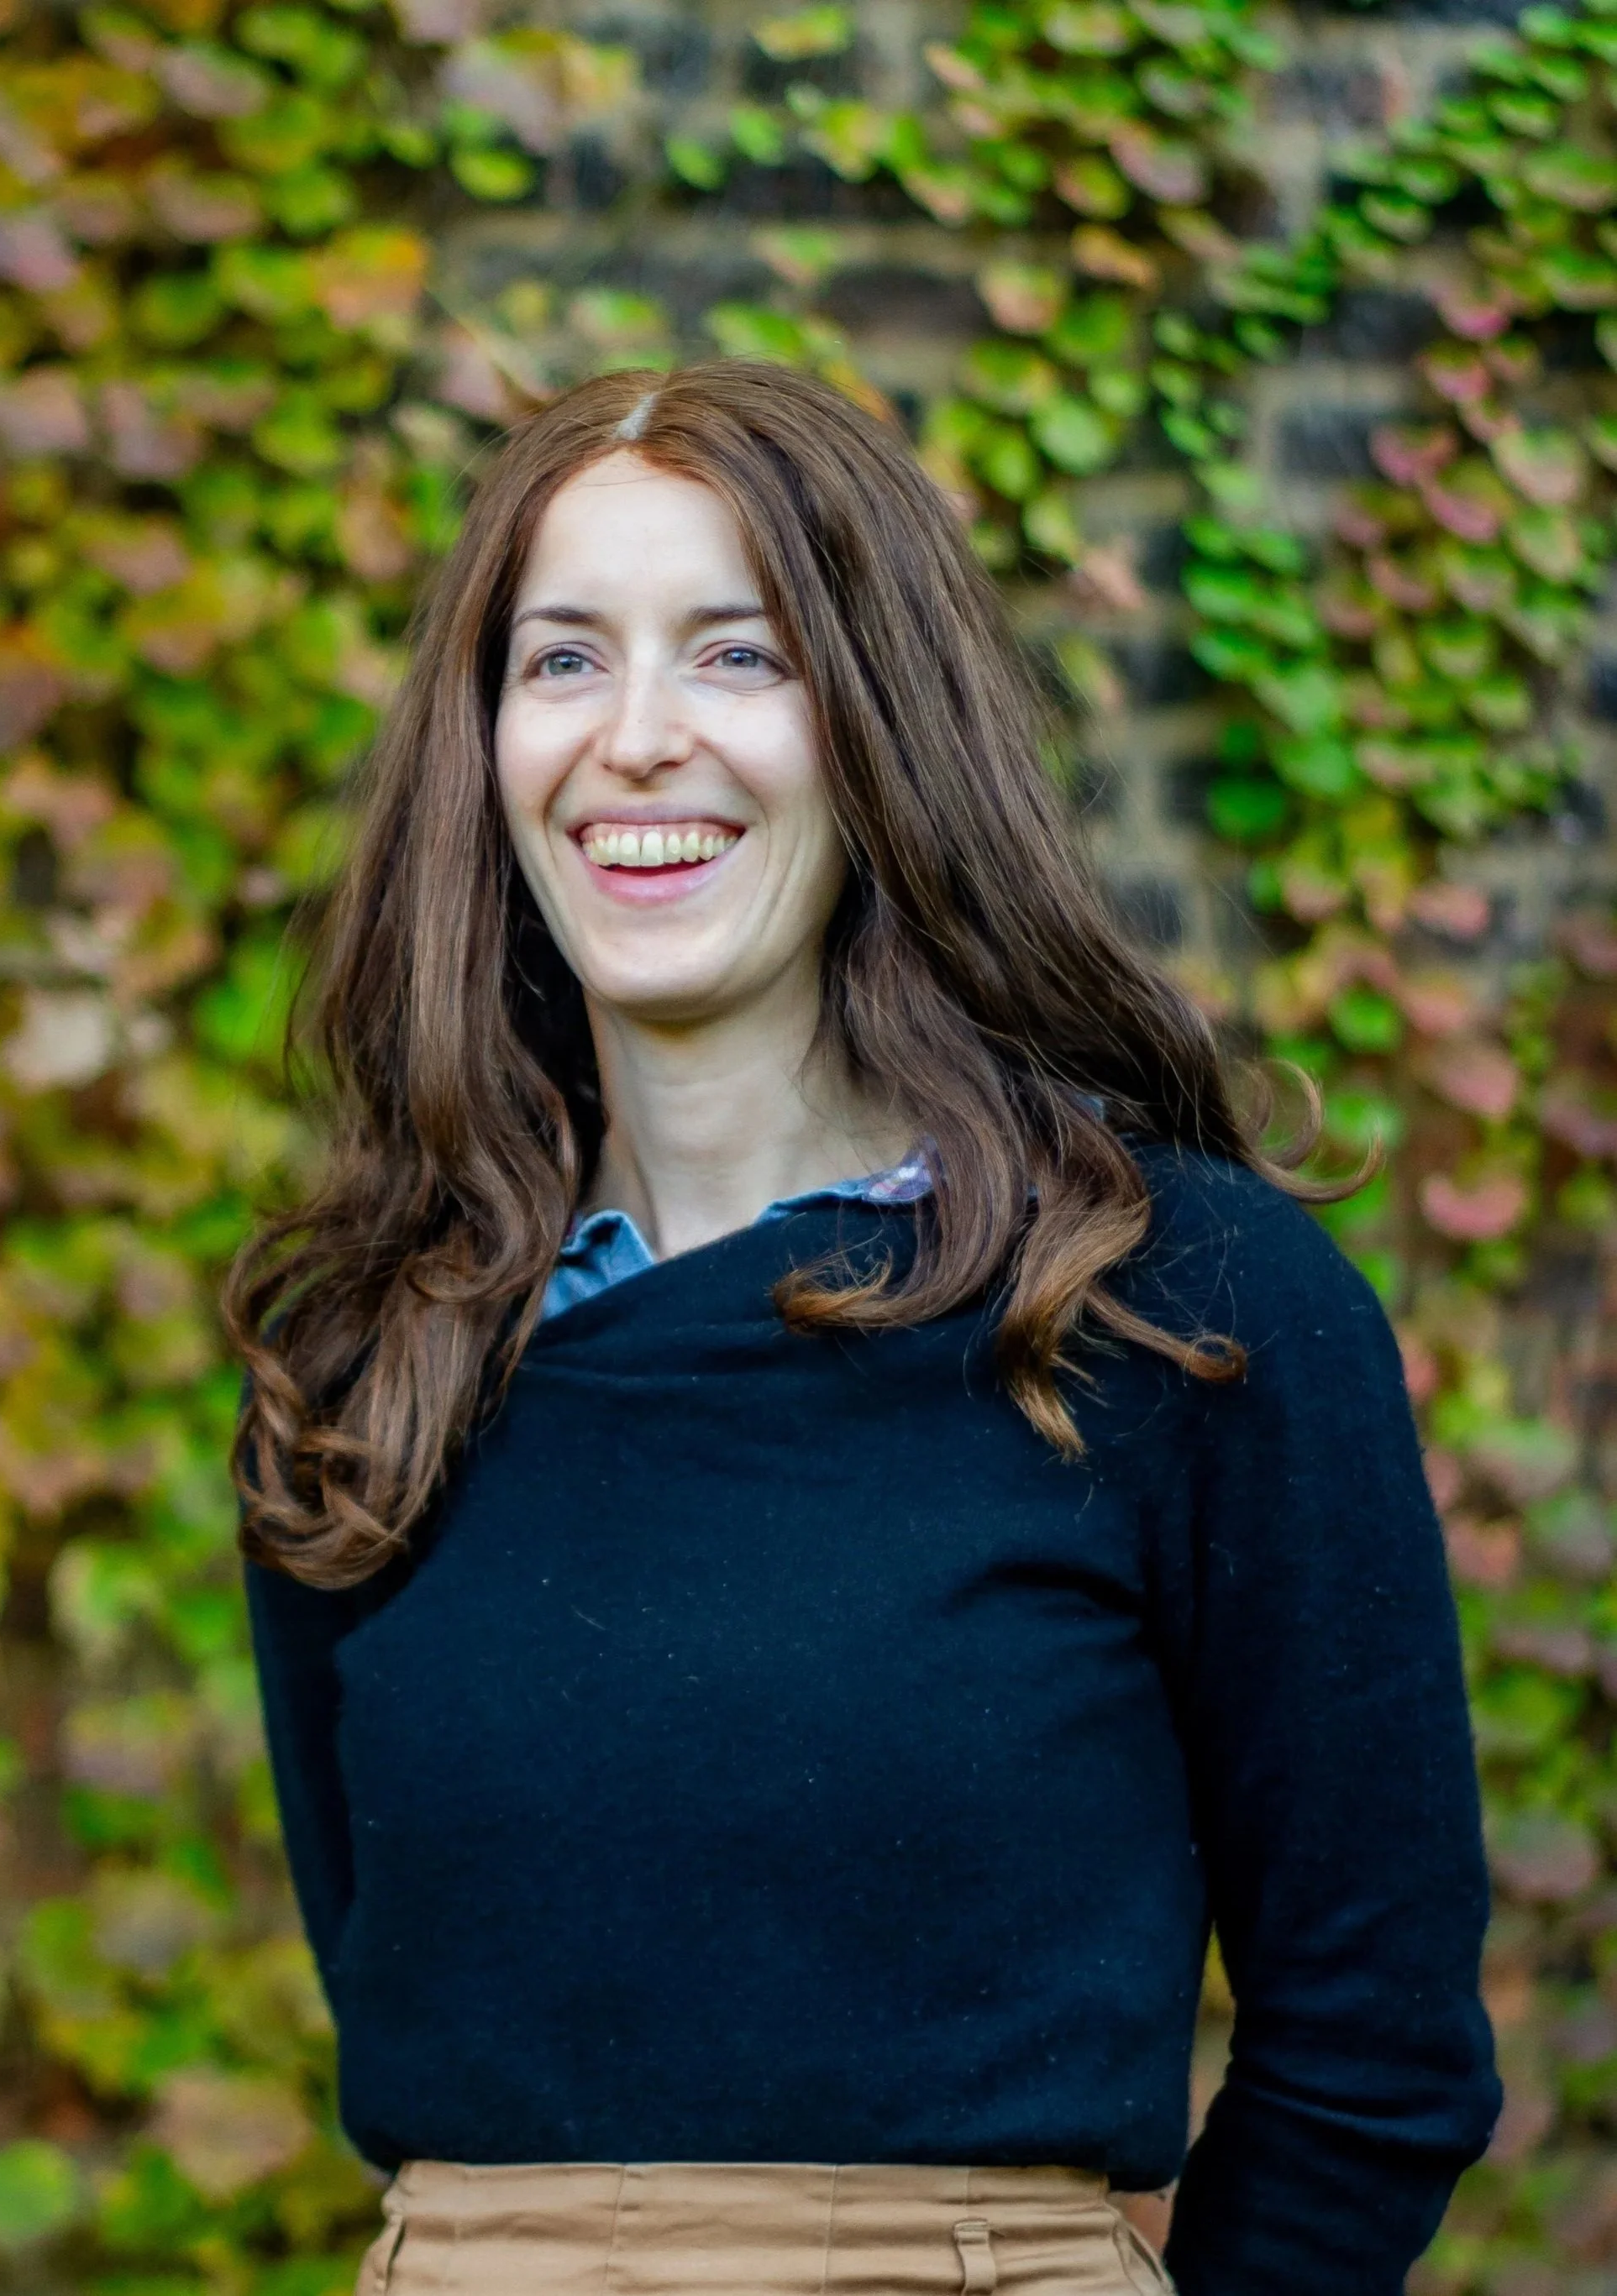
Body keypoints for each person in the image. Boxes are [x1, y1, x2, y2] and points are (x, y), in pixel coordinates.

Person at [227, 360, 1500, 2296]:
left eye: (737, 655)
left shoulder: (1179, 1307)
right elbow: (406, 1991)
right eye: (561, 661)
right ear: (481, 742)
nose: (633, 739)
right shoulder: (369, 1356)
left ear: (880, 723)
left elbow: (1374, 2050)